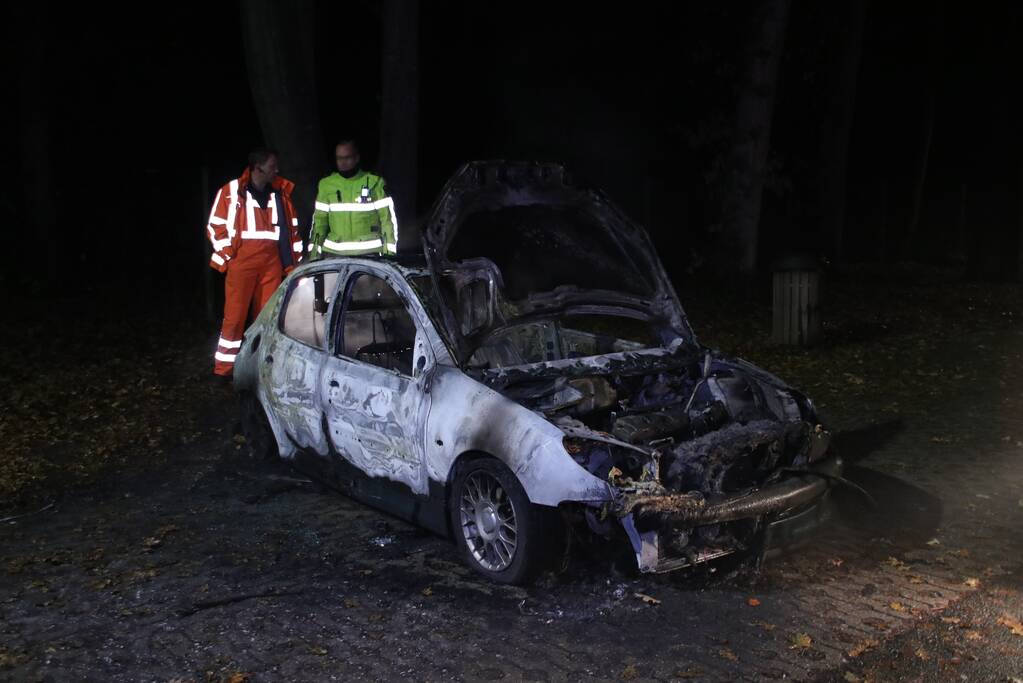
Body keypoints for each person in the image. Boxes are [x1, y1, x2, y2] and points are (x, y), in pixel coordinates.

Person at [205, 148, 303, 378]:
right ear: (258, 168)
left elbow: (291, 231)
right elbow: (215, 225)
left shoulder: (280, 194)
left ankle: (260, 367)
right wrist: (228, 254)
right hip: (242, 261)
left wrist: (293, 263)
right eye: (272, 166)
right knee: (235, 317)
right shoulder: (231, 191)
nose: (276, 170)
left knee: (266, 318)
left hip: (271, 262)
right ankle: (224, 370)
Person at [309, 140, 398, 258]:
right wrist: (314, 255)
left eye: (347, 158)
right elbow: (319, 222)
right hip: (334, 255)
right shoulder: (326, 185)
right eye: (339, 158)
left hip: (369, 254)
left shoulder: (375, 182)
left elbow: (387, 220)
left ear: (357, 158)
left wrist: (389, 255)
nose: (343, 162)